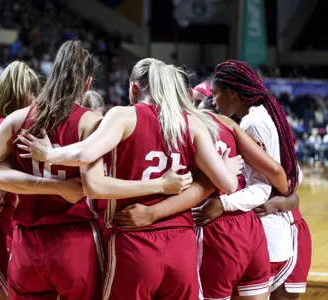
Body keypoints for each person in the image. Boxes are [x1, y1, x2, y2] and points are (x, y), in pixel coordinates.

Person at [0, 42, 194, 300]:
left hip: (27, 244)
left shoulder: (18, 119)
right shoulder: (92, 123)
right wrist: (61, 186)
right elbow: (93, 185)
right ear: (87, 84)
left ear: (51, 75)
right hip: (75, 242)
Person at [18, 58, 245, 300]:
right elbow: (229, 185)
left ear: (134, 89)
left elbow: (85, 156)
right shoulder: (192, 123)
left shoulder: (123, 116)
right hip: (181, 245)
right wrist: (226, 167)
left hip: (134, 243)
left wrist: (48, 154)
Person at [113, 65, 290, 300]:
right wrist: (288, 192)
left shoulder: (182, 126)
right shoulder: (231, 125)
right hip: (250, 227)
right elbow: (274, 170)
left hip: (213, 229)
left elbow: (201, 186)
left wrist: (153, 212)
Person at [209, 60, 310, 300]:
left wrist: (223, 204)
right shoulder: (265, 113)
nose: (214, 102)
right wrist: (287, 194)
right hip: (276, 225)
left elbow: (265, 183)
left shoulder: (252, 123)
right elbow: (290, 170)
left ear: (233, 92)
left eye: (216, 94)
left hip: (267, 230)